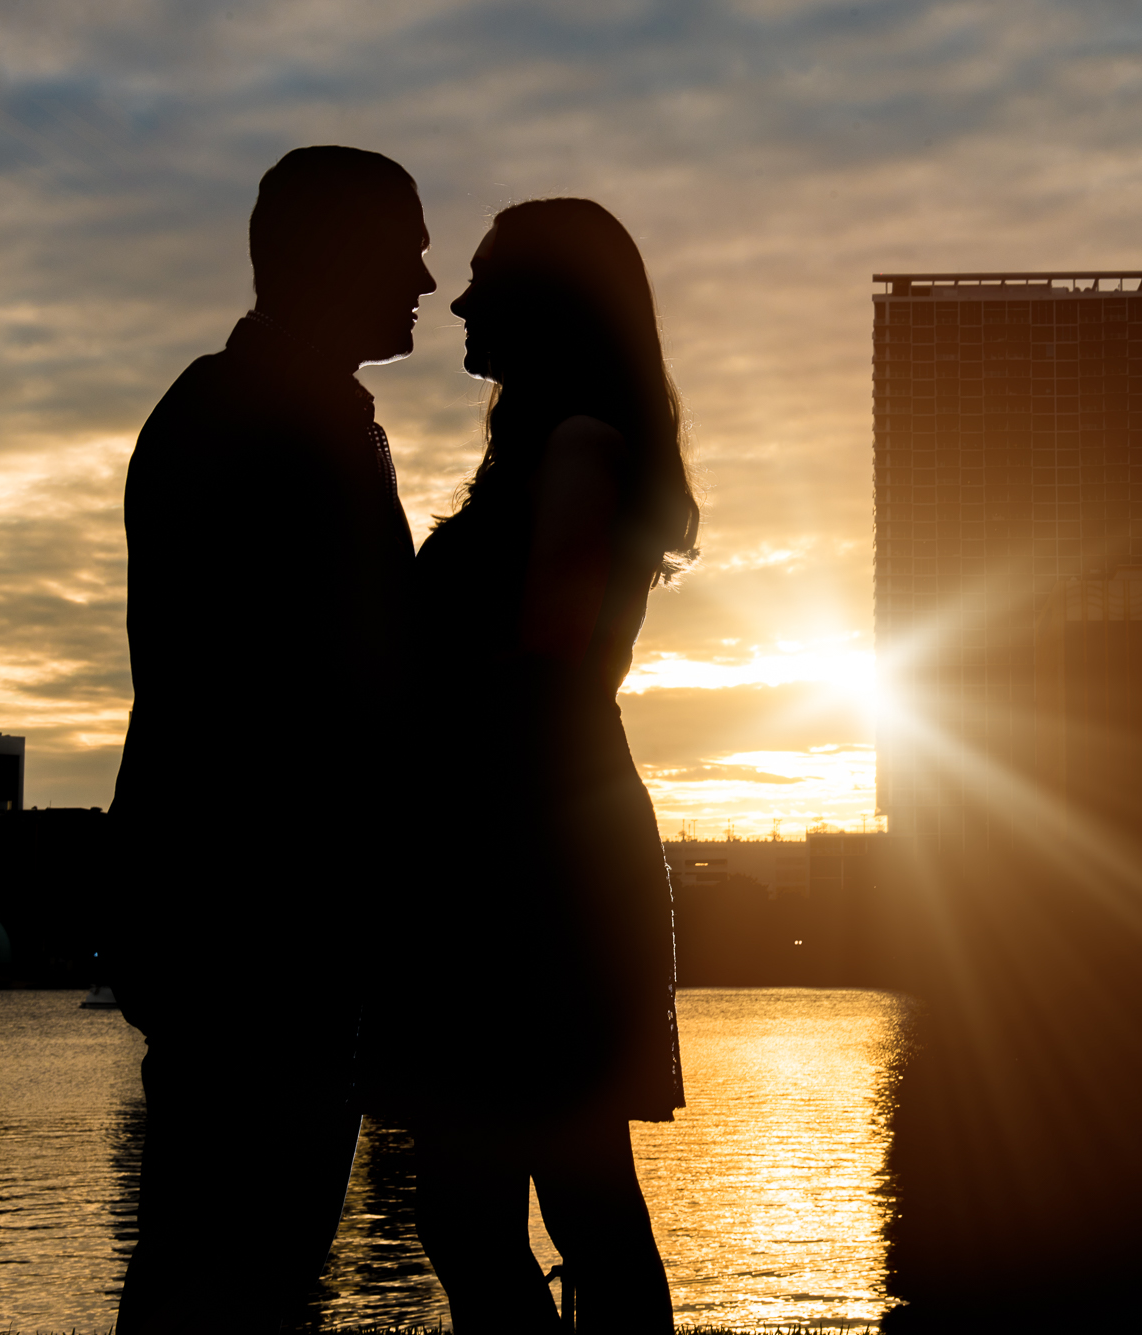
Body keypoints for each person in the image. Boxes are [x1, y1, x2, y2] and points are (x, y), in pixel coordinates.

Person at [108, 146, 433, 1335]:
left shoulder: (262, 406)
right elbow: (332, 679)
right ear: (332, 255)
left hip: (253, 914)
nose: (427, 278)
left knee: (241, 1252)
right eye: (405, 246)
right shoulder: (262, 418)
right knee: (230, 1257)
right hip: (258, 913)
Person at [366, 198, 696, 1333]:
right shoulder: (555, 448)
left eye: (481, 280)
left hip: (532, 856)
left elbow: (547, 660)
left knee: (515, 1197)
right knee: (537, 1192)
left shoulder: (579, 446)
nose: (456, 302)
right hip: (523, 840)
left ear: (544, 304)